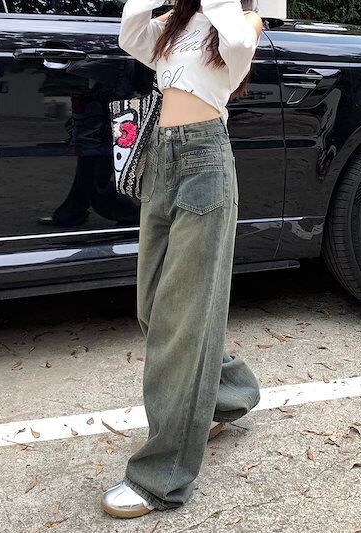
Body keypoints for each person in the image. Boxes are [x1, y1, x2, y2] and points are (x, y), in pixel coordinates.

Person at [101, 0, 263, 518]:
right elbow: (130, 34)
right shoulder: (174, 24)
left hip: (205, 164)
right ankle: (228, 393)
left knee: (183, 319)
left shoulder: (241, 20)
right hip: (160, 159)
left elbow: (239, 44)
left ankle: (161, 476)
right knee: (153, 307)